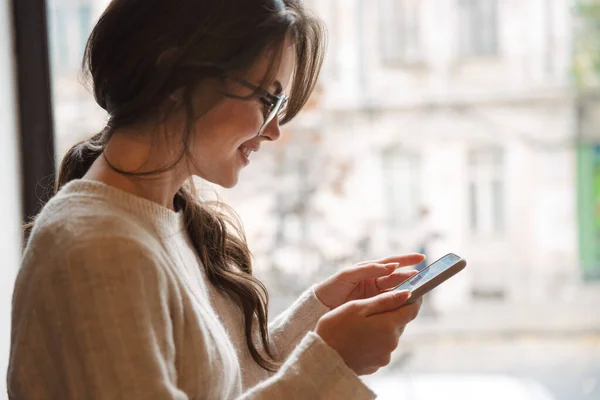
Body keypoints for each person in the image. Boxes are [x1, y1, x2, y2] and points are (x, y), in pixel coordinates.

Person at [7, 1, 424, 398]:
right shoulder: (100, 248)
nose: (274, 130)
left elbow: (211, 384)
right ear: (175, 74)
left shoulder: (158, 220)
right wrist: (329, 362)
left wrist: (318, 317)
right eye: (268, 100)